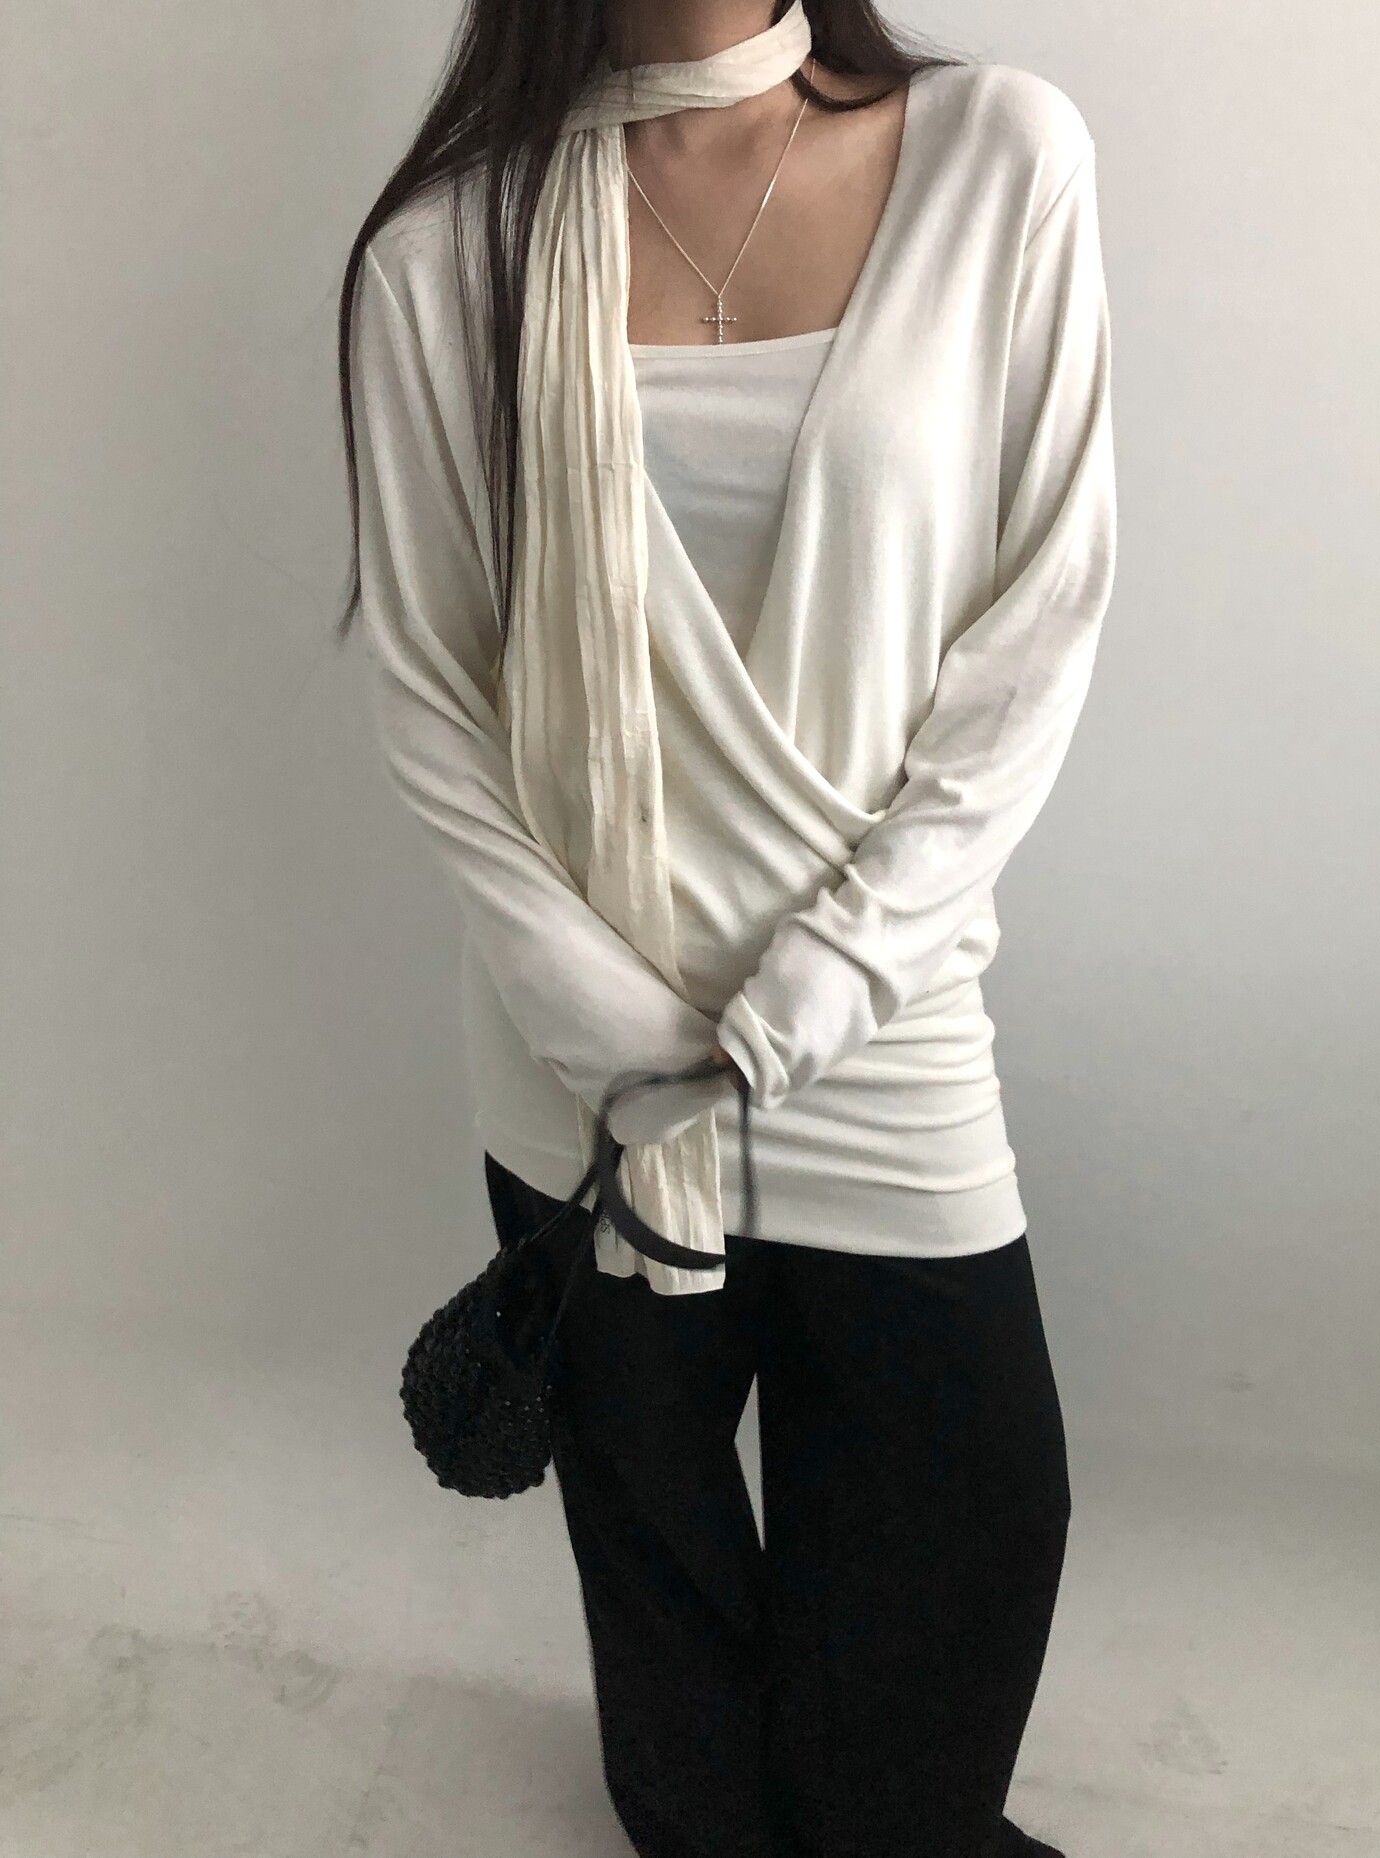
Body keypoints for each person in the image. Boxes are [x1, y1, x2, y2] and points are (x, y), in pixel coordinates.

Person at [337, 2, 1116, 1854]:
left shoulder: (1000, 160)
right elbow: (433, 696)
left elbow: (1040, 625)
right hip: (584, 1072)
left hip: (880, 1019)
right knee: (660, 1564)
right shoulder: (447, 252)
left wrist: (826, 982)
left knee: (973, 1510)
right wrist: (615, 1033)